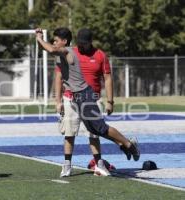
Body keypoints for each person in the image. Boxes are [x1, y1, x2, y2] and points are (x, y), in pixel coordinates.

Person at [35, 27, 140, 175]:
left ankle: (129, 145)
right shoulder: (62, 53)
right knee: (93, 129)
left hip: (85, 96)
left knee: (100, 128)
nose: (53, 42)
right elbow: (48, 49)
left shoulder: (68, 52)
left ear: (64, 42)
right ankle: (124, 145)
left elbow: (51, 49)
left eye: (56, 40)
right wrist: (38, 38)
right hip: (77, 97)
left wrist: (40, 39)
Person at [51, 27, 116, 177]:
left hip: (91, 100)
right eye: (79, 43)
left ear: (90, 42)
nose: (81, 46)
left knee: (94, 134)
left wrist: (110, 101)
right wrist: (58, 100)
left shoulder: (100, 55)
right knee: (69, 133)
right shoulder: (68, 52)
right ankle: (67, 165)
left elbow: (107, 78)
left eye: (84, 43)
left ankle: (99, 165)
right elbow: (59, 77)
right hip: (70, 98)